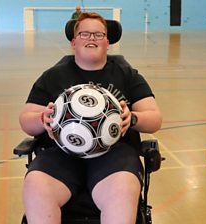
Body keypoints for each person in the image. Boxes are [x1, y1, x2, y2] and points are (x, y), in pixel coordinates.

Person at [19, 12, 162, 224]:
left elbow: (155, 118)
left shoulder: (127, 75)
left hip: (114, 155)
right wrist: (42, 118)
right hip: (61, 153)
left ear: (108, 41)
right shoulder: (53, 76)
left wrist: (132, 118)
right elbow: (25, 119)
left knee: (123, 190)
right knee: (35, 185)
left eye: (98, 34)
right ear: (73, 42)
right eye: (85, 33)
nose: (92, 38)